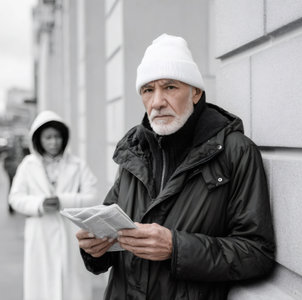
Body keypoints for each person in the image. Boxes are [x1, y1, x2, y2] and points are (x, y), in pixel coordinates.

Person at [76, 33, 275, 299]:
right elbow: (111, 237)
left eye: (170, 87)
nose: (157, 101)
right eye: (148, 90)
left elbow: (257, 253)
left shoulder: (236, 152)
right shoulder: (133, 151)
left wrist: (176, 248)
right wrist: (94, 249)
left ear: (195, 92)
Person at [9, 110, 100, 300]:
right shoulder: (28, 165)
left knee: (72, 284)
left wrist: (63, 201)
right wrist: (39, 204)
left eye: (57, 136)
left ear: (64, 138)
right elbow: (15, 198)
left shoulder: (77, 164)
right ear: (38, 140)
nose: (53, 142)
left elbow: (93, 196)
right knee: (41, 283)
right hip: (39, 233)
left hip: (70, 233)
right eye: (48, 137)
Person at [3, 135, 26, 214]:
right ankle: (11, 206)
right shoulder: (11, 150)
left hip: (20, 171)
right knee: (12, 188)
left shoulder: (23, 149)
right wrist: (9, 170)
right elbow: (6, 161)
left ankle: (18, 205)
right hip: (12, 171)